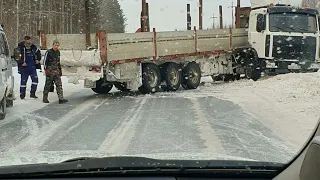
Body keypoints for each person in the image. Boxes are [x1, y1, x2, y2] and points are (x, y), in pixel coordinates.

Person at [43, 40, 68, 104]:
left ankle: (61, 98)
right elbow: (45, 61)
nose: (56, 47)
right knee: (48, 85)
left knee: (59, 85)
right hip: (50, 71)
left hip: (56, 71)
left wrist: (60, 70)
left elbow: (58, 62)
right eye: (55, 45)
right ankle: (45, 98)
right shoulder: (48, 52)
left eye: (57, 45)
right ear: (53, 45)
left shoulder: (58, 52)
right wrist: (46, 70)